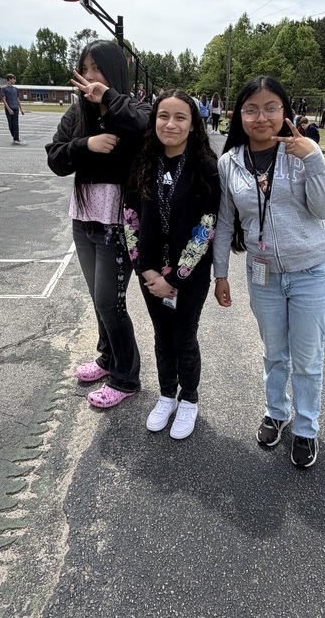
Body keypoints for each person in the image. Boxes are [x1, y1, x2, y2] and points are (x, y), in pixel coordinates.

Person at [213, 75, 325, 469]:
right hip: (262, 274)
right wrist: (221, 274)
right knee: (274, 354)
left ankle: (306, 428)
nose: (261, 117)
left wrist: (313, 158)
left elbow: (324, 210)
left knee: (307, 358)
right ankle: (276, 413)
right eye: (251, 109)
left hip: (310, 271)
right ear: (239, 115)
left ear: (285, 111)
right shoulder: (229, 162)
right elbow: (225, 220)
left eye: (270, 107)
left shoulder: (303, 152)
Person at [45, 39, 150, 409]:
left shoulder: (131, 107)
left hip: (117, 224)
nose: (88, 77)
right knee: (98, 298)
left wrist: (108, 98)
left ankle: (126, 377)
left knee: (110, 302)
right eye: (84, 69)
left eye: (97, 69)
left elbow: (146, 126)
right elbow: (55, 158)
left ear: (113, 73)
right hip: (83, 218)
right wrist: (86, 145)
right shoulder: (76, 115)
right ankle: (107, 359)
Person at [124, 89, 219, 439]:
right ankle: (166, 394)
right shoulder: (143, 162)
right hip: (150, 275)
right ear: (154, 120)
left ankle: (189, 399)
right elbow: (130, 218)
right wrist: (146, 271)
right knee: (162, 338)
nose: (171, 124)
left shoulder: (205, 167)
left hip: (189, 277)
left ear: (193, 124)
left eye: (181, 117)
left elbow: (207, 227)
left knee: (184, 338)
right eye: (164, 116)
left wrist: (175, 279)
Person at [0, 74, 24, 144]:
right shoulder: (4, 88)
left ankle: (16, 138)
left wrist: (21, 109)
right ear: (10, 79)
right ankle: (14, 135)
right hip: (9, 108)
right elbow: (4, 100)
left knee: (16, 124)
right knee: (11, 124)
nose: (15, 81)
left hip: (15, 108)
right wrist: (9, 109)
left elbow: (17, 99)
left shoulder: (15, 89)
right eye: (14, 79)